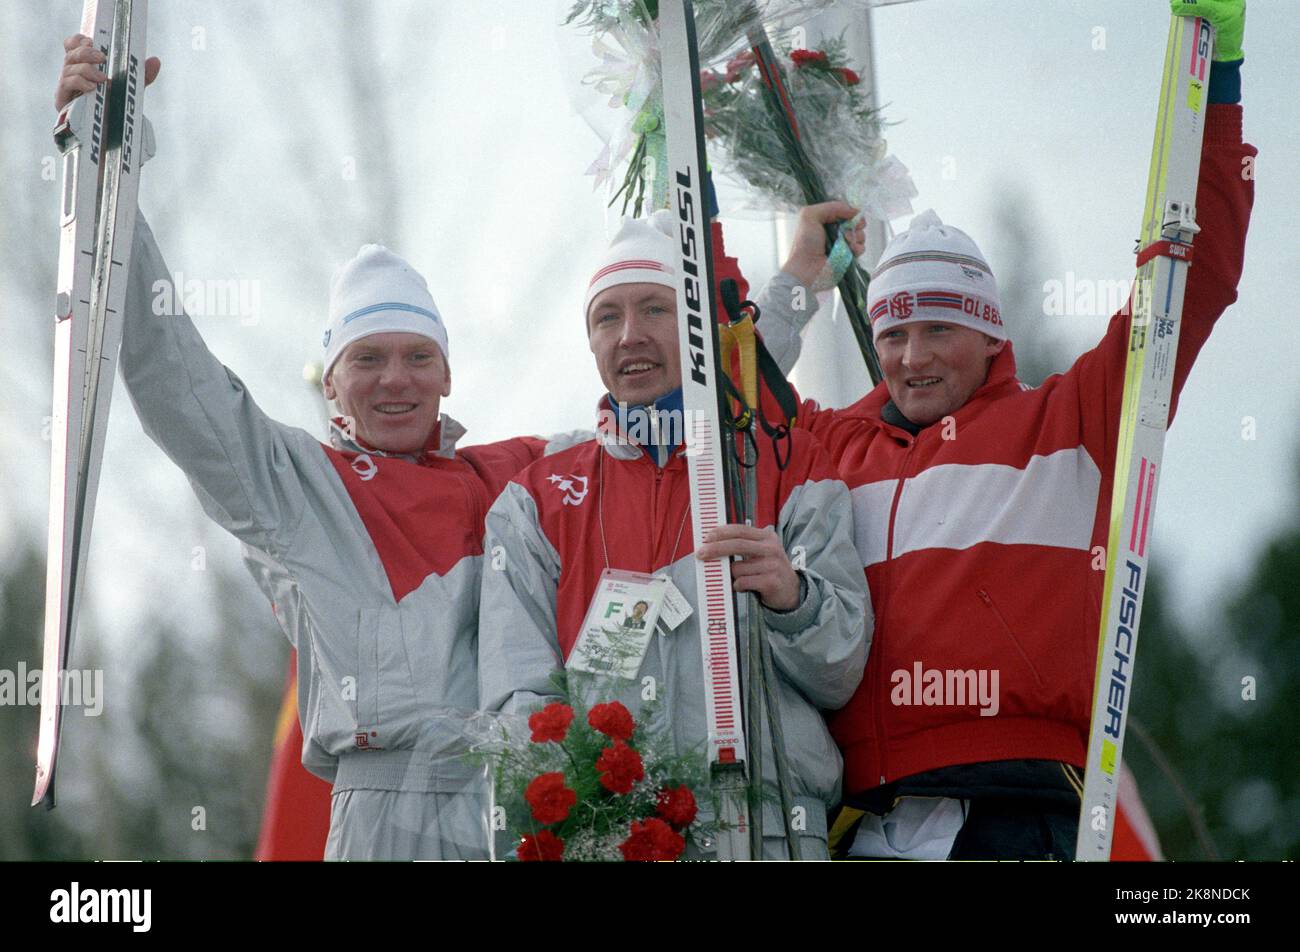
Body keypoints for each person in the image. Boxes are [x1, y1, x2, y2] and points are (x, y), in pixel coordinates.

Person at [750, 0, 1255, 859]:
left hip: (1022, 809)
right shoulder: (838, 446)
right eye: (893, 334)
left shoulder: (1073, 419)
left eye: (938, 330)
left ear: (991, 336)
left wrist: (1223, 83)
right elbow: (727, 412)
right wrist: (797, 280)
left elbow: (1188, 277)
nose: (912, 358)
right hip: (867, 815)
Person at [55, 37, 563, 860]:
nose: (395, 380)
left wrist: (775, 309)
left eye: (416, 356)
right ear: (331, 384)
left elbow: (663, 429)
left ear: (447, 373)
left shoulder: (514, 476)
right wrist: (109, 170)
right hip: (380, 816)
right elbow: (169, 372)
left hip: (505, 812)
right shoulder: (301, 483)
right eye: (367, 359)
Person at [478, 211, 871, 859]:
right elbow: (519, 702)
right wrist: (570, 812)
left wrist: (792, 600)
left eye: (656, 310)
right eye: (607, 317)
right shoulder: (538, 499)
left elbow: (841, 672)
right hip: (611, 835)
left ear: (695, 330)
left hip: (769, 829)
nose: (629, 335)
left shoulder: (783, 464)